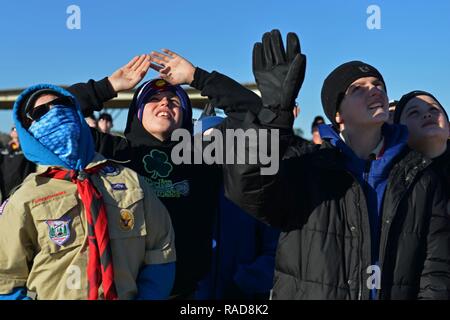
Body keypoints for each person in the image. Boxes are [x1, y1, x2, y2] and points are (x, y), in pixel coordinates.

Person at [225, 29, 450, 299]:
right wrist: (274, 115)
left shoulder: (419, 175)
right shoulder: (307, 166)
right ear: (338, 114)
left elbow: (435, 268)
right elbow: (248, 189)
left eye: (378, 84)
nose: (374, 90)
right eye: (358, 88)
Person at [68, 52, 267, 298]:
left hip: (185, 291)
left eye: (174, 100)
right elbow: (48, 119)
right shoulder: (111, 150)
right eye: (153, 99)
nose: (164, 104)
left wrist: (197, 77)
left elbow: (257, 116)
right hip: (119, 290)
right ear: (137, 113)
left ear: (185, 116)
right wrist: (108, 86)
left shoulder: (202, 154)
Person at [0, 85, 176, 300]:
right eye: (41, 112)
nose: (56, 112)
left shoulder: (130, 181)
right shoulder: (26, 198)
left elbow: (161, 248)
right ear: (28, 129)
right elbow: (7, 278)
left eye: (62, 105)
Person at [193, 108, 280, 300]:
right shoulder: (185, 190)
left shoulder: (258, 189)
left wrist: (245, 281)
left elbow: (278, 249)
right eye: (203, 141)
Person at [393, 90, 450, 193]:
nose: (427, 114)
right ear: (399, 132)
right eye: (414, 112)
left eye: (433, 109)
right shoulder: (389, 182)